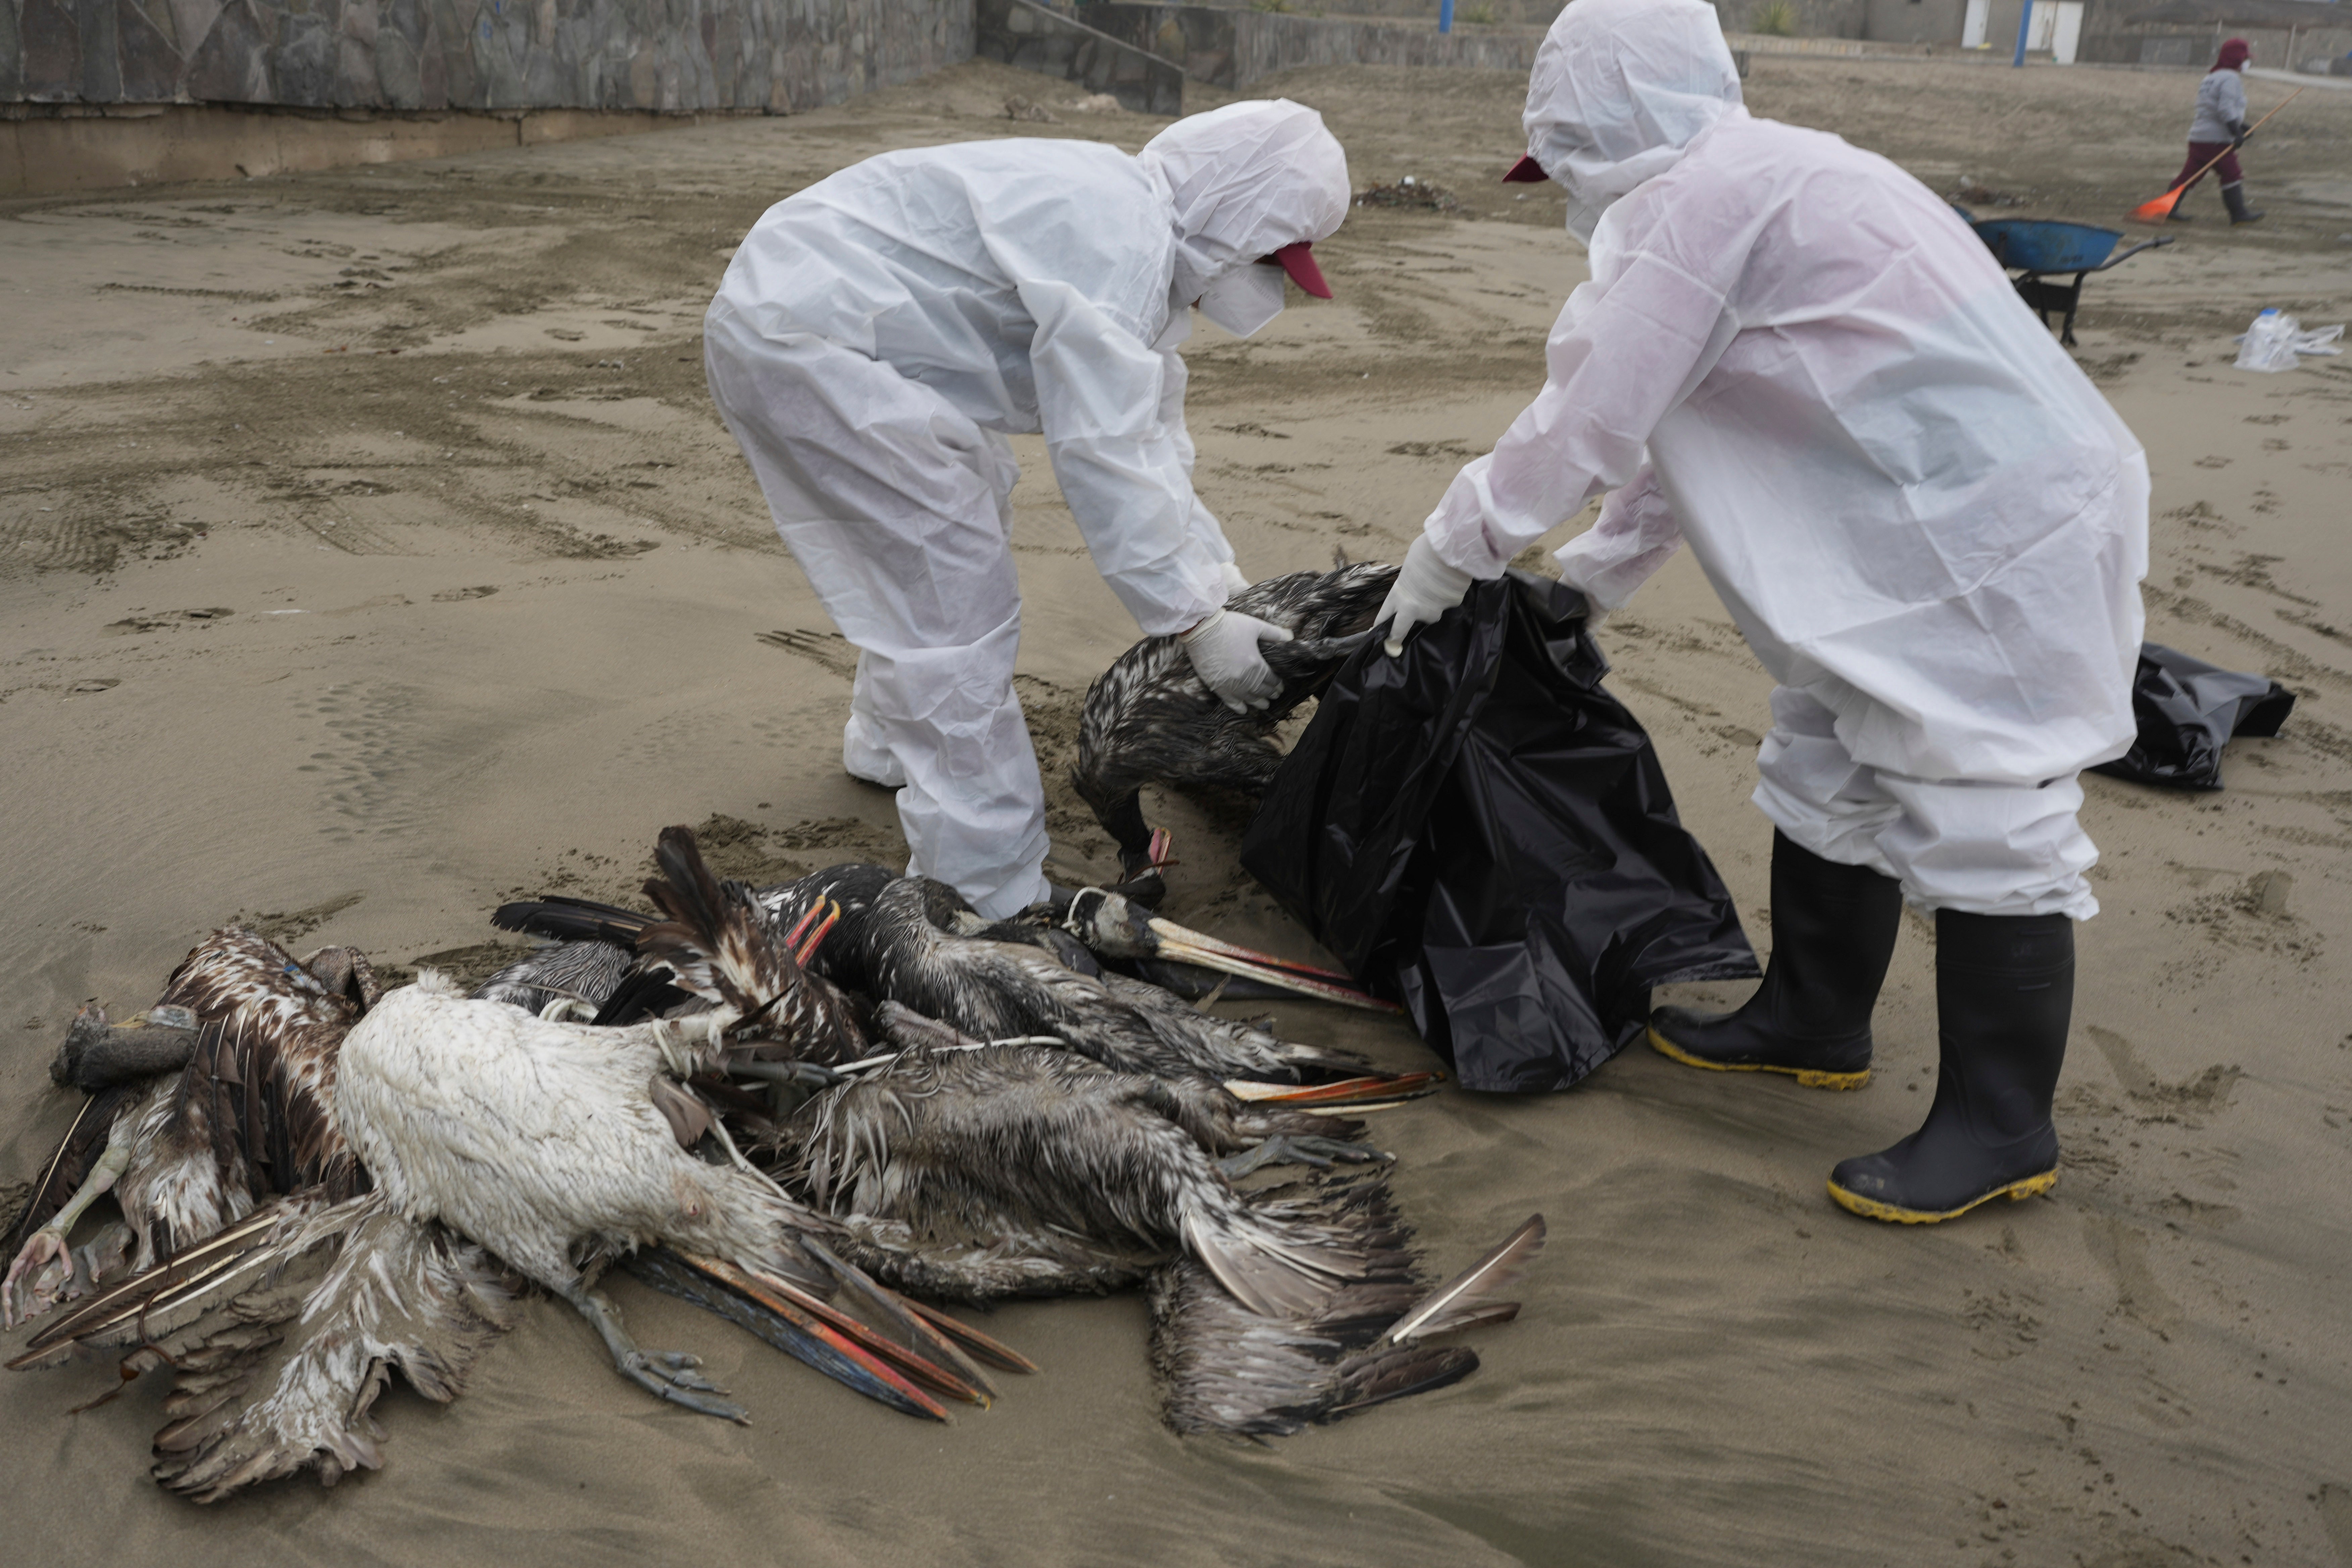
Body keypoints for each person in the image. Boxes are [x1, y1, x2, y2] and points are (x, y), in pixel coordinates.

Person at [1376, 0, 2148, 1224]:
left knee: (1983, 796)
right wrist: (1593, 578)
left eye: (1566, 152)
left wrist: (1445, 553)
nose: (1566, 182)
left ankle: (2004, 1124)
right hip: (1908, 516)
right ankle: (1815, 1016)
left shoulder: (1704, 208)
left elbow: (1590, 422)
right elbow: (1686, 426)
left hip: (1989, 528)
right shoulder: (1754, 179)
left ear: (1601, 123)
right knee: (1827, 747)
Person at [706, 102, 1350, 918]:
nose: (1267, 284)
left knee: (958, 510)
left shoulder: (1133, 231)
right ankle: (982, 884)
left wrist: (1223, 590)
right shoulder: (1121, 240)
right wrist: (1195, 620)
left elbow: (1153, 437)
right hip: (814, 337)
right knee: (952, 599)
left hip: (813, 316)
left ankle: (885, 743)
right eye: (1269, 256)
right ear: (1235, 211)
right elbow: (1106, 457)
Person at [2166, 38, 2262, 224]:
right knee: (2231, 174)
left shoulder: (2210, 78)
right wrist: (2236, 132)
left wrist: (2242, 127)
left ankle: (2168, 208)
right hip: (2216, 140)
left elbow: (2212, 108)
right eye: (2244, 59)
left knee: (2190, 175)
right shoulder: (2230, 79)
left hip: (2199, 137)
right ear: (2237, 58)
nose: (2246, 63)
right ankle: (2239, 214)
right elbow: (2225, 110)